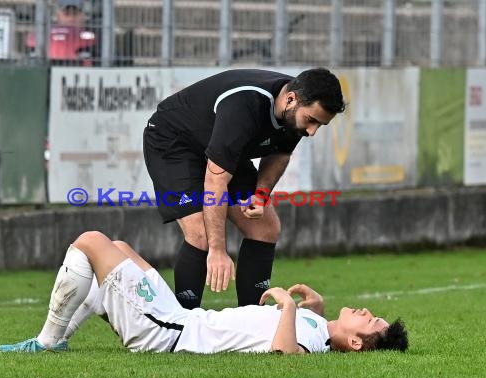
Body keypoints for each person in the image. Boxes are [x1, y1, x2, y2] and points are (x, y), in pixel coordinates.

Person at [0, 231, 408, 355]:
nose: (367, 310)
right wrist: (314, 309)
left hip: (169, 332)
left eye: (369, 320)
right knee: (119, 249)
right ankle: (60, 341)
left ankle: (47, 342)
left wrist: (287, 306)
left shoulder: (313, 341)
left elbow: (285, 355)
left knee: (89, 242)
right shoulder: (318, 328)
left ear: (355, 342)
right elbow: (304, 332)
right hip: (177, 319)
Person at [143, 68, 345, 309]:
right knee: (201, 235)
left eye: (320, 125)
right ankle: (181, 326)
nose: (312, 132)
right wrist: (218, 250)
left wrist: (260, 195)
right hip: (174, 143)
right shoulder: (245, 105)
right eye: (311, 121)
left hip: (220, 148)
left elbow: (280, 154)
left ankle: (253, 320)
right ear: (290, 99)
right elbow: (215, 182)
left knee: (266, 227)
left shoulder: (295, 113)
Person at [25, 0, 97, 65]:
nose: (71, 18)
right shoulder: (46, 31)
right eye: (67, 13)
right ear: (58, 15)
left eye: (75, 13)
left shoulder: (92, 33)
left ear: (83, 15)